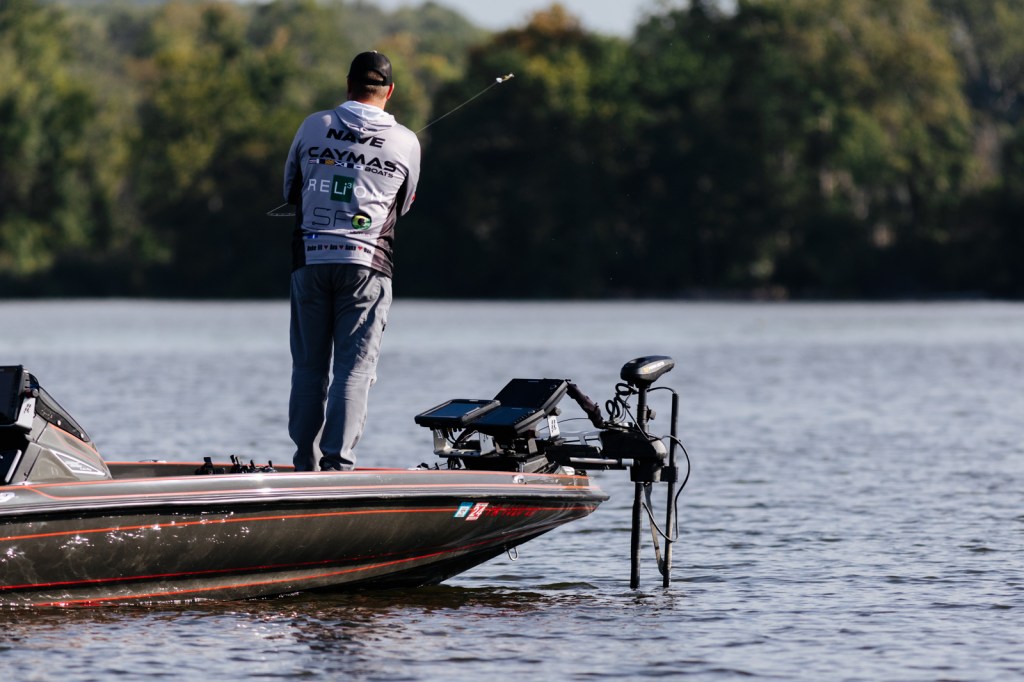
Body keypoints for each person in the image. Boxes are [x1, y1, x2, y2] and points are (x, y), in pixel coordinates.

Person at [282, 51, 421, 471]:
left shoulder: (313, 125)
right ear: (390, 92)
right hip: (367, 266)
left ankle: (304, 464)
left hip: (311, 261)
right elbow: (405, 205)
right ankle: (337, 466)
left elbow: (290, 190)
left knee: (309, 368)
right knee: (353, 371)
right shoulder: (406, 141)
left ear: (348, 85)